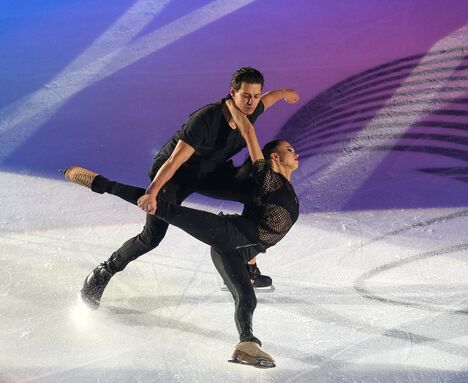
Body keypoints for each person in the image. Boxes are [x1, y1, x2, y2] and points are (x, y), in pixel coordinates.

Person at [64, 98, 300, 367]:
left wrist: (252, 268)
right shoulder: (265, 177)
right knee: (160, 214)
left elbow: (258, 224)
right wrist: (239, 107)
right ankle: (101, 185)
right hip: (221, 230)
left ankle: (246, 344)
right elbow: (248, 132)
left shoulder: (267, 188)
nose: (296, 152)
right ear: (274, 157)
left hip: (237, 249)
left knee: (246, 297)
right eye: (289, 149)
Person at [78, 67, 300, 309]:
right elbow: (174, 161)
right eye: (246, 96)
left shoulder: (252, 109)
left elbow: (267, 100)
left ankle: (249, 266)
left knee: (254, 190)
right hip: (174, 176)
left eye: (255, 96)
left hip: (208, 173)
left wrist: (283, 92)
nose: (251, 102)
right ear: (232, 92)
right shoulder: (206, 119)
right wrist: (152, 192)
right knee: (152, 237)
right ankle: (102, 273)